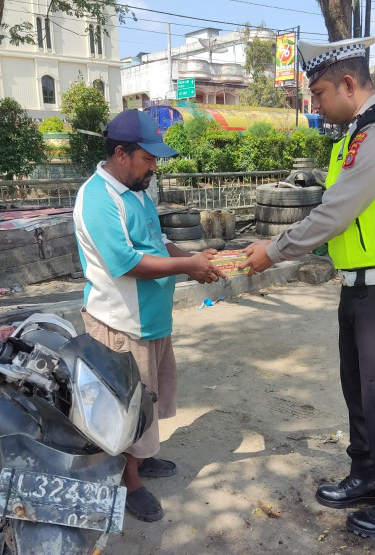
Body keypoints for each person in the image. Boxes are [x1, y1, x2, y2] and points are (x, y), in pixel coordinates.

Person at [241, 37, 375, 538]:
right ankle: (369, 476)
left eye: (321, 91)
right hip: (361, 288)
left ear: (350, 84)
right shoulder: (356, 136)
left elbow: (335, 212)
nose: (317, 103)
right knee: (362, 392)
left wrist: (275, 250)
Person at [73, 109, 225, 522]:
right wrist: (186, 266)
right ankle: (129, 479)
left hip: (152, 320)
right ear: (122, 154)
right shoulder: (97, 198)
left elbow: (155, 243)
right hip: (121, 323)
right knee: (124, 407)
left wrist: (193, 259)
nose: (154, 167)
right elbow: (124, 261)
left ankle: (141, 457)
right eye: (148, 158)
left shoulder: (137, 192)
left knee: (149, 398)